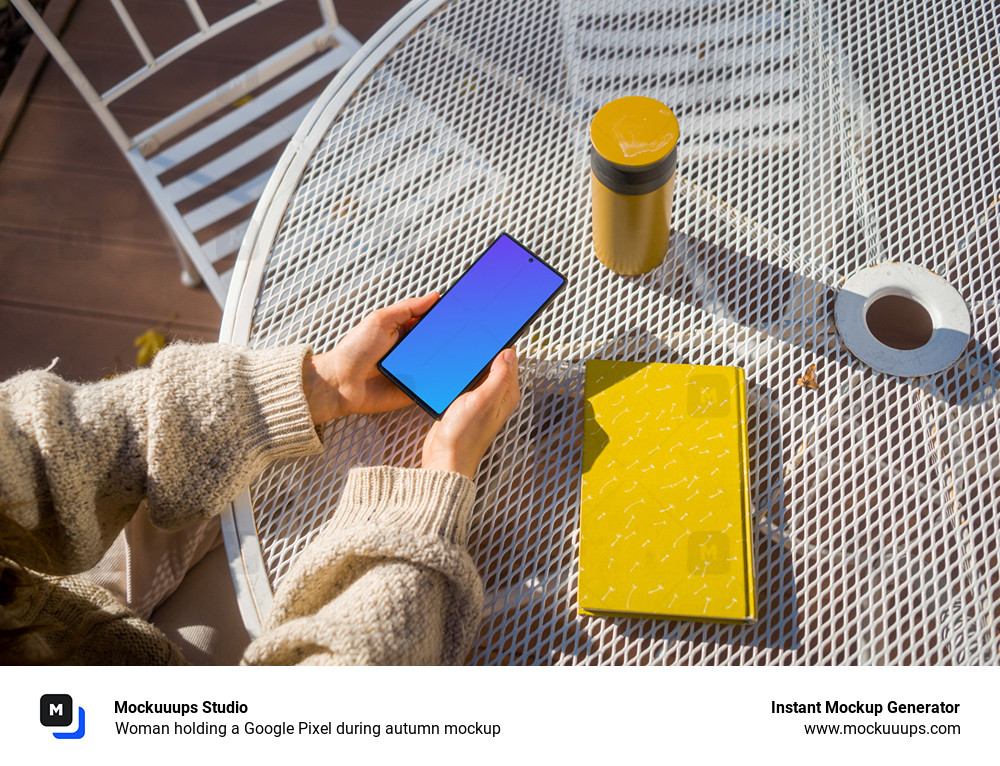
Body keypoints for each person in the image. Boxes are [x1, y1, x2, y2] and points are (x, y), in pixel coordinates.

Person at [0, 293, 520, 664]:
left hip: (44, 586)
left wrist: (325, 384)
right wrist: (437, 484)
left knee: (342, 438)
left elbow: (43, 451)